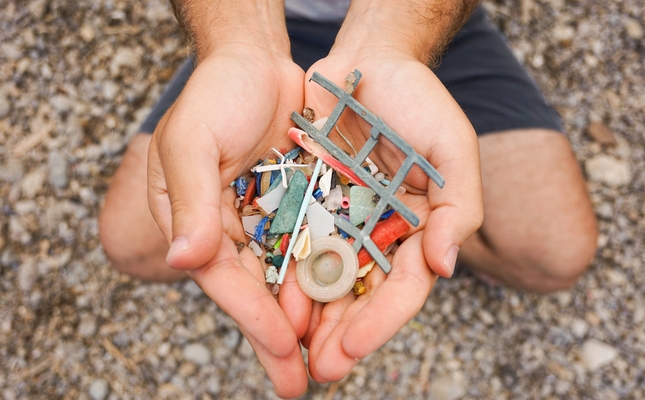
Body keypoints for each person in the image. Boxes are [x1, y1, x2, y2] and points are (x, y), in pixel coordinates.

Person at [99, 0, 598, 397]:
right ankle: (412, 237)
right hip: (252, 28)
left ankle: (425, 236)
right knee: (131, 242)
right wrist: (237, 44)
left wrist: (392, 41)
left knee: (556, 254)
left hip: (419, 24)